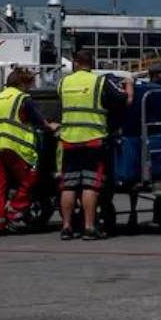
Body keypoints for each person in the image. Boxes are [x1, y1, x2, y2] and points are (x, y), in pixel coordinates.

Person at [56, 50, 131, 241]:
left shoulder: (63, 83)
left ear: (75, 63)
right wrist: (129, 86)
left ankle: (66, 227)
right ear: (91, 63)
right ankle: (89, 227)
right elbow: (122, 100)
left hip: (68, 141)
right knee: (90, 186)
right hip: (92, 140)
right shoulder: (100, 82)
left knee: (69, 186)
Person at [0, 66, 57, 236]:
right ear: (22, 84)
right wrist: (51, 126)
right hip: (15, 147)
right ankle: (13, 210)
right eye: (31, 84)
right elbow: (39, 121)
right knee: (30, 178)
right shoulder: (23, 98)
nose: (31, 87)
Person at [118, 65, 161, 230]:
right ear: (157, 75)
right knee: (156, 172)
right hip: (154, 136)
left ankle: (133, 212)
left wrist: (129, 82)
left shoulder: (143, 89)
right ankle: (153, 208)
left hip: (136, 135)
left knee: (134, 175)